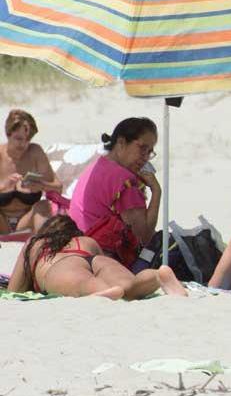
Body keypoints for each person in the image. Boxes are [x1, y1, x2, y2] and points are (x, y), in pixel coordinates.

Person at [7, 214, 186, 298]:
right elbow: (96, 266)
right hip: (94, 258)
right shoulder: (86, 241)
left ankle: (101, 291)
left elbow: (14, 291)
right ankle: (157, 275)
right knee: (130, 285)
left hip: (63, 266)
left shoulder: (36, 243)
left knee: (85, 283)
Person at [67, 117, 161, 272]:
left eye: (150, 152)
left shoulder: (98, 166)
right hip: (103, 259)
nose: (145, 157)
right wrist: (156, 191)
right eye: (142, 148)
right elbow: (144, 237)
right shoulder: (124, 180)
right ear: (121, 142)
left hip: (78, 250)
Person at [0, 110, 59, 235]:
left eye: (28, 140)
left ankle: (44, 245)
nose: (23, 144)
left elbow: (58, 187)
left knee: (42, 205)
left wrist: (41, 186)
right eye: (18, 138)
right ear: (8, 134)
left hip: (26, 220)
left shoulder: (35, 152)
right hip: (2, 221)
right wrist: (4, 186)